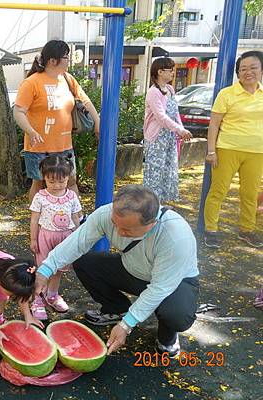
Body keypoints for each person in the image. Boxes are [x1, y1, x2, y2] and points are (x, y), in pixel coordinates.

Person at [34, 185, 199, 357]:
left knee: (176, 315)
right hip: (133, 269)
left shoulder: (175, 237)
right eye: (115, 224)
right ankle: (116, 308)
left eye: (127, 230)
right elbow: (77, 242)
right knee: (85, 262)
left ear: (151, 224)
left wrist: (126, 325)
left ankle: (168, 335)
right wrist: (45, 270)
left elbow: (160, 288)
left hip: (174, 283)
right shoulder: (105, 214)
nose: (118, 232)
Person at [13, 39, 100, 206]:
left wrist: (97, 121)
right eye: (66, 57)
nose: (69, 61)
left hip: (64, 145)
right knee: (38, 184)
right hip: (38, 146)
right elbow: (19, 111)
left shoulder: (67, 79)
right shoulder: (32, 82)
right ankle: (37, 219)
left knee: (70, 181)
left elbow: (85, 101)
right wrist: (30, 131)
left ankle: (75, 215)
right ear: (53, 61)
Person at [203, 51, 263, 249]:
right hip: (227, 148)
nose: (248, 72)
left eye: (253, 67)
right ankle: (210, 229)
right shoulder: (227, 94)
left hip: (256, 151)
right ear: (238, 73)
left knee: (250, 193)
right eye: (243, 69)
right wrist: (211, 151)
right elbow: (214, 125)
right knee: (218, 190)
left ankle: (247, 230)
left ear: (261, 70)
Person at [29, 154, 81, 320]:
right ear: (44, 178)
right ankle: (37, 299)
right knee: (42, 269)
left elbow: (75, 217)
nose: (57, 185)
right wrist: (33, 239)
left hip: (65, 238)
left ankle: (52, 295)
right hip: (45, 237)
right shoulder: (41, 196)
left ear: (68, 178)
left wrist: (77, 238)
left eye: (62, 181)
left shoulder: (72, 196)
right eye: (52, 181)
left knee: (58, 269)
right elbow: (35, 219)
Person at [142, 57, 193, 202]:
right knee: (155, 171)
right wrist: (180, 130)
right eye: (170, 70)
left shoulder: (170, 89)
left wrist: (181, 129)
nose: (172, 73)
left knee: (167, 170)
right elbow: (161, 117)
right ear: (159, 72)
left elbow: (175, 112)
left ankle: (162, 203)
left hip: (170, 136)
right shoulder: (153, 92)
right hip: (157, 137)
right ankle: (151, 204)